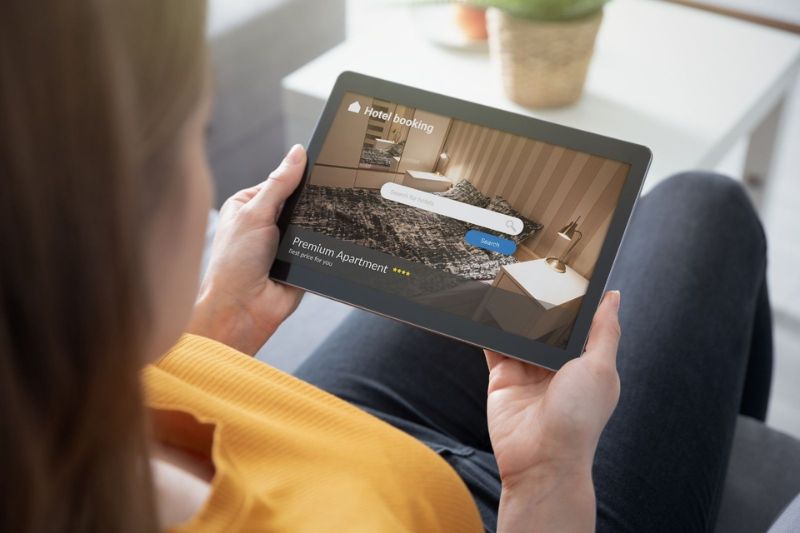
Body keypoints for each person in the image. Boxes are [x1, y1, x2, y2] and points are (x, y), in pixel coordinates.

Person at [0, 1, 785, 532]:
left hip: (297, 424)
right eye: (197, 138)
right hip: (497, 505)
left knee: (509, 256)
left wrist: (214, 329)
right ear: (109, 233)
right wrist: (547, 479)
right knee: (706, 206)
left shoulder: (51, 408)